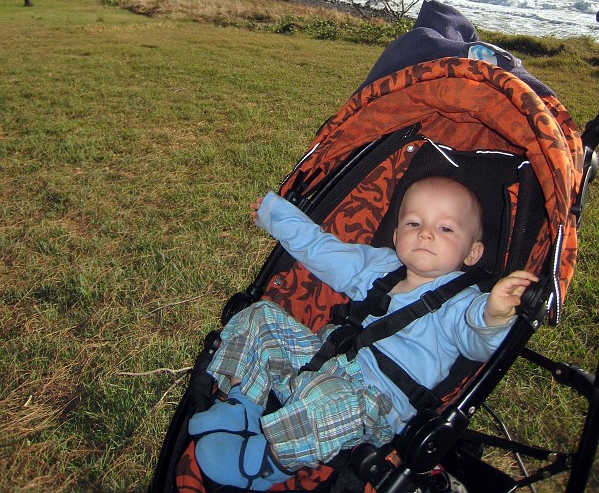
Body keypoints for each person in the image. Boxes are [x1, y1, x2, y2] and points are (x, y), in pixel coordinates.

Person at [189, 176, 537, 490]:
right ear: (398, 234)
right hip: (321, 361)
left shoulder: (464, 303)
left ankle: (267, 465)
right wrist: (276, 215)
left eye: (446, 229)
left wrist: (494, 316)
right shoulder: (380, 266)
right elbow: (322, 250)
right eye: (414, 223)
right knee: (261, 315)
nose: (426, 233)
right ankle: (242, 405)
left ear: (473, 252)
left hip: (375, 403)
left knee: (332, 404)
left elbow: (479, 343)